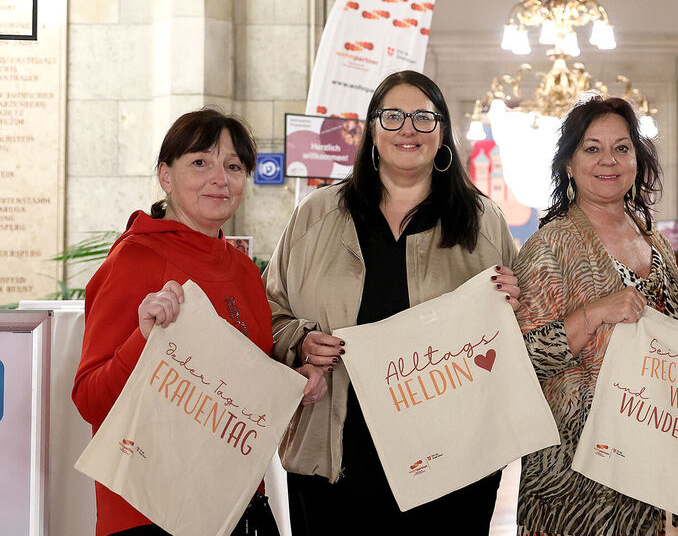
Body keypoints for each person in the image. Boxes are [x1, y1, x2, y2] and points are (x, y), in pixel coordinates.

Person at [264, 70, 521, 534]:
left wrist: (516, 303)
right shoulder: (315, 216)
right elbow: (270, 311)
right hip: (336, 454)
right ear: (372, 130)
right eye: (394, 115)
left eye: (424, 117)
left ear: (442, 132)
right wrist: (301, 343)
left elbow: (518, 332)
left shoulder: (484, 223)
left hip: (451, 466)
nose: (409, 128)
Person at [72, 108, 326, 536]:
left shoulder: (244, 270)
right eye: (200, 162)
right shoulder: (133, 261)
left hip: (234, 504)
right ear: (165, 177)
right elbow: (90, 400)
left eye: (233, 166)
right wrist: (143, 339)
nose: (220, 178)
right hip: (150, 513)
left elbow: (236, 385)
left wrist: (294, 384)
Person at [513, 95, 678, 536]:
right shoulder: (549, 246)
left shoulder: (656, 243)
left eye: (622, 147)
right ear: (569, 164)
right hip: (576, 484)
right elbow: (520, 359)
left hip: (653, 468)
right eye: (592, 148)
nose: (608, 160)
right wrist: (594, 313)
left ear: (637, 159)